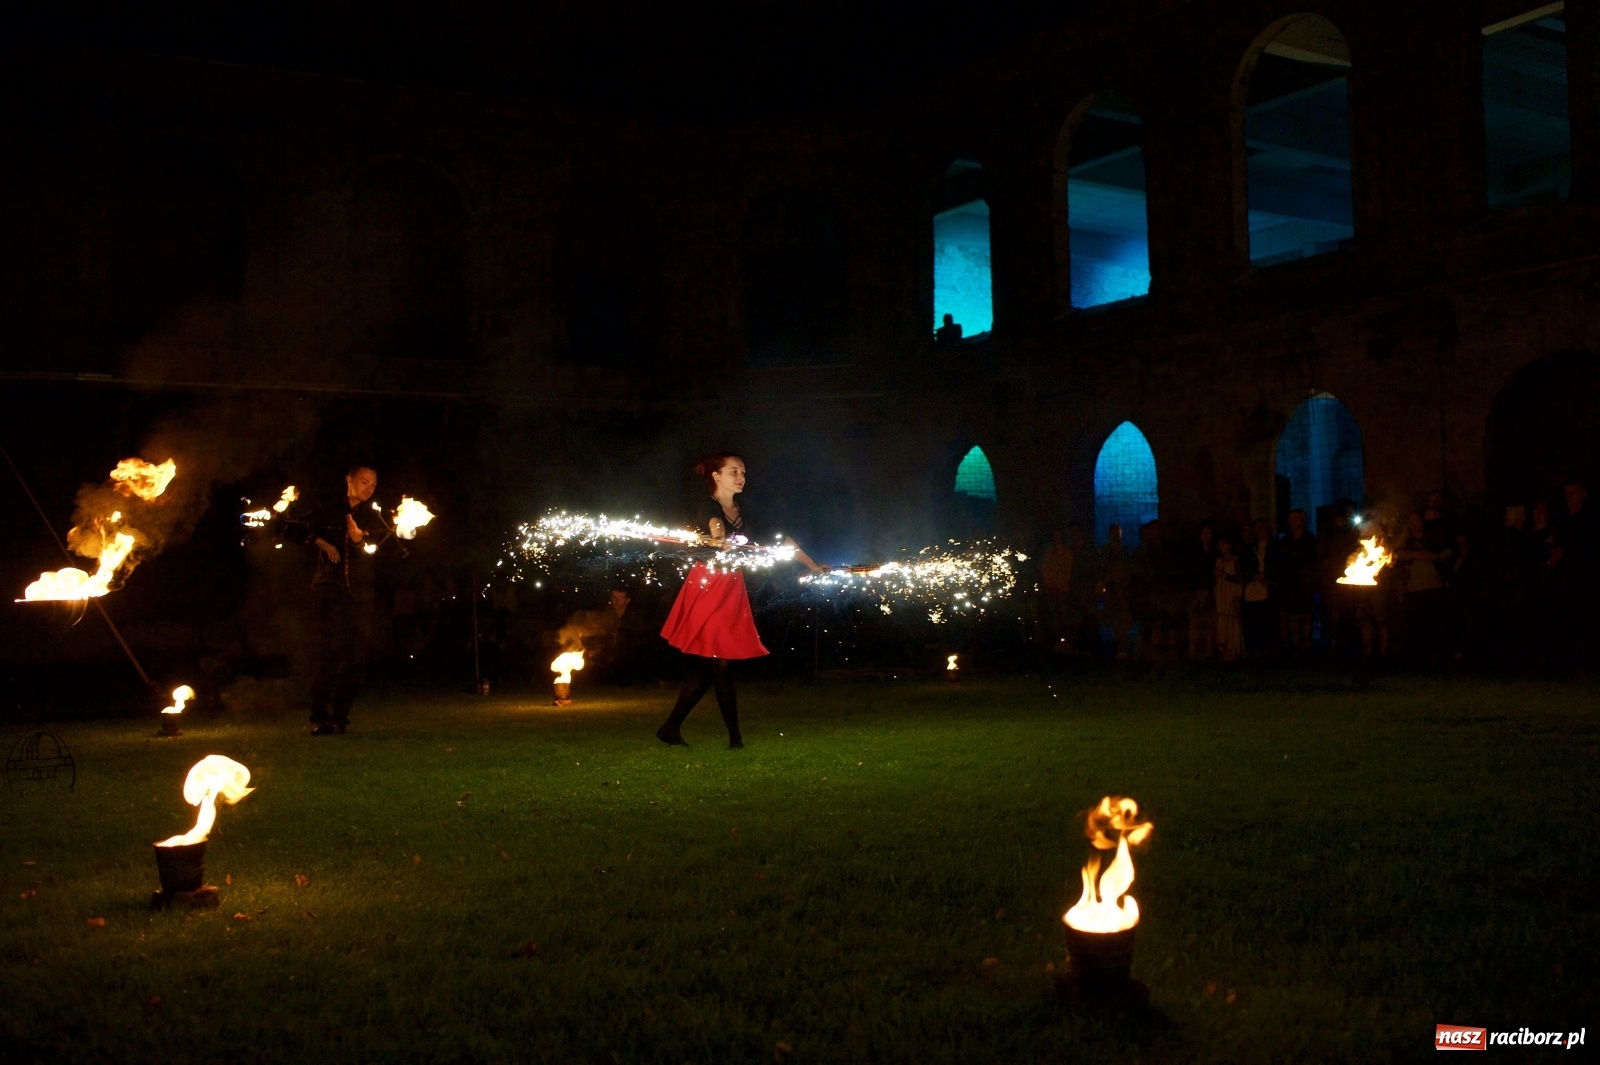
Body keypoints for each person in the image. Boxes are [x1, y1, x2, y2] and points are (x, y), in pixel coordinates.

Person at [656, 453, 821, 748]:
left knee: (711, 665)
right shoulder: (708, 505)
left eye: (743, 471)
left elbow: (784, 541)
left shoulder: (746, 512)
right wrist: (722, 541)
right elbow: (716, 528)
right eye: (734, 471)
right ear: (717, 476)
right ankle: (735, 739)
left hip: (731, 586)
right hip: (708, 585)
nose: (741, 476)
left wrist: (812, 565)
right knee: (719, 664)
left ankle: (671, 728)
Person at [303, 464, 383, 736]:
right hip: (329, 591)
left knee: (355, 657)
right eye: (364, 481)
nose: (369, 488)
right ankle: (318, 717)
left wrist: (358, 542)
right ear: (349, 479)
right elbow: (301, 530)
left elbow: (375, 552)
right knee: (329, 653)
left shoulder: (373, 518)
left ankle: (340, 717)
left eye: (373, 484)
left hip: (360, 596)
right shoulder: (326, 508)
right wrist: (320, 541)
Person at [1276, 509, 1318, 655]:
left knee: (1306, 614)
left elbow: (1310, 558)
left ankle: (1306, 643)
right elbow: (1282, 558)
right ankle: (1296, 644)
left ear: (1302, 520)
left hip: (1304, 582)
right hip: (1290, 583)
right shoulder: (1286, 539)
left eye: (1295, 518)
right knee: (1292, 614)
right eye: (1290, 519)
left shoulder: (1309, 539)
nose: (1291, 522)